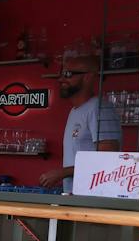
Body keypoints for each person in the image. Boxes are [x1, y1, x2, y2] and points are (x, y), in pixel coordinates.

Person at [40, 51, 119, 191]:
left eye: (68, 75)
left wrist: (62, 173)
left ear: (88, 77)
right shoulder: (75, 111)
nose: (61, 79)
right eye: (61, 74)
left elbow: (109, 159)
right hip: (76, 195)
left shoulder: (99, 107)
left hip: (94, 197)